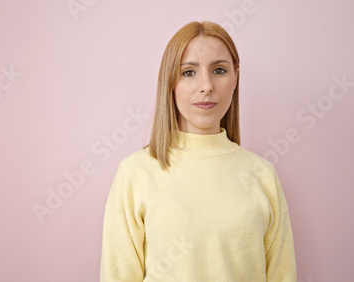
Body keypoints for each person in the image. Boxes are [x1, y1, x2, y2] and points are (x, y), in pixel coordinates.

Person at [100, 21, 297, 281]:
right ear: (170, 81)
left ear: (235, 77)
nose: (206, 85)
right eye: (189, 72)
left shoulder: (262, 174)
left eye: (218, 70)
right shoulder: (135, 173)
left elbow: (282, 275)